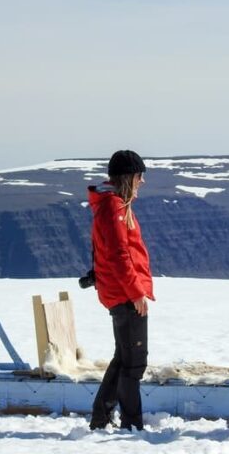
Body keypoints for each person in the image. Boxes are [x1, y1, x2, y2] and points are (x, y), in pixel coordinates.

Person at [87, 149, 154, 431]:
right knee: (134, 363)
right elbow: (118, 255)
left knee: (125, 358)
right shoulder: (113, 207)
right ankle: (130, 422)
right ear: (129, 177)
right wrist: (137, 292)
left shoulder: (113, 206)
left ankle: (103, 416)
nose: (143, 182)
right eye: (140, 176)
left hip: (122, 293)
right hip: (126, 295)